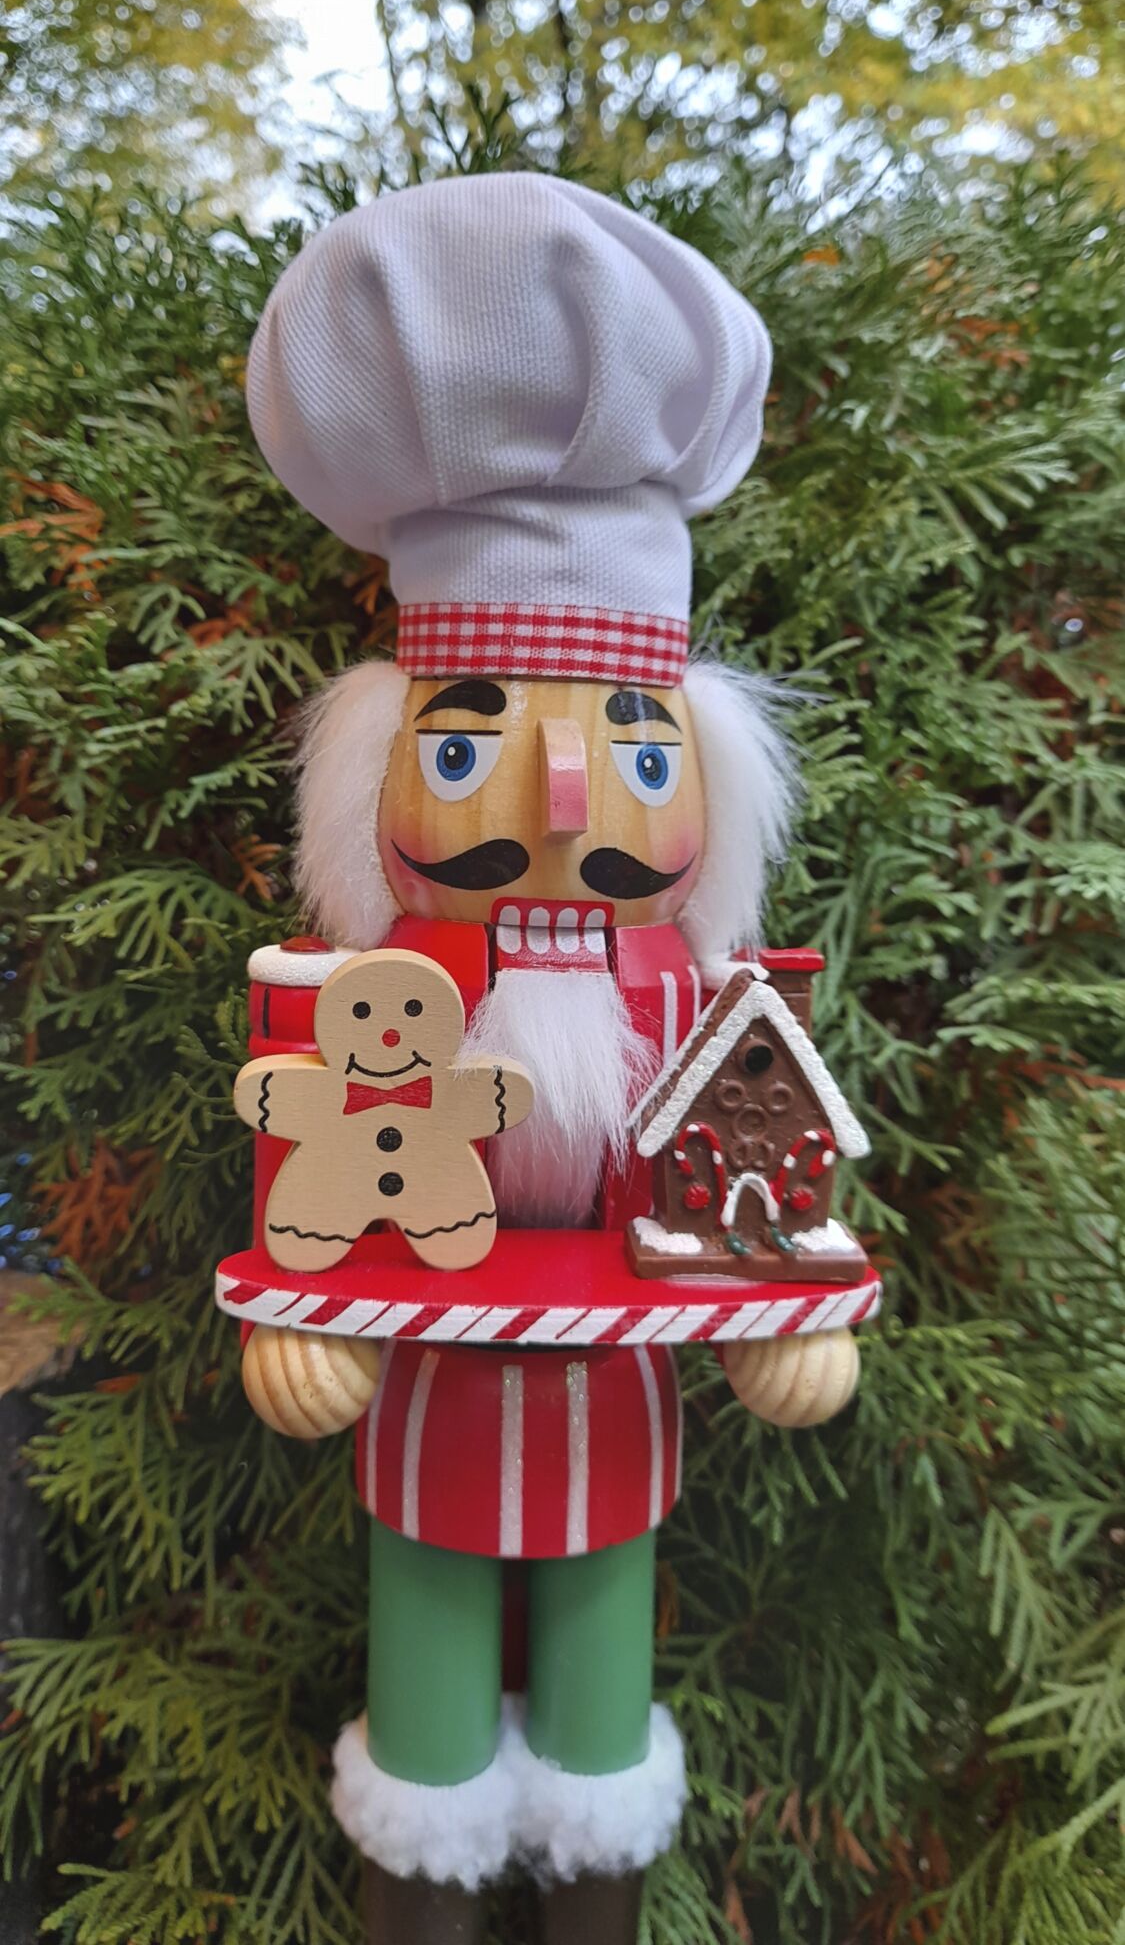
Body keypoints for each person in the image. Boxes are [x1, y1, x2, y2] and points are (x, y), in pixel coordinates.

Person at [239, 172, 861, 1942]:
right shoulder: (374, 992)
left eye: (633, 754)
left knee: (604, 1717)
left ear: (704, 777)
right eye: (470, 745)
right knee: (423, 1722)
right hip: (425, 1407)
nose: (564, 800)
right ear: (375, 771)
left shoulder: (696, 1000)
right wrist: (301, 1314)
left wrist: (781, 1311)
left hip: (618, 1423)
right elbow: (317, 1159)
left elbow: (751, 1163)